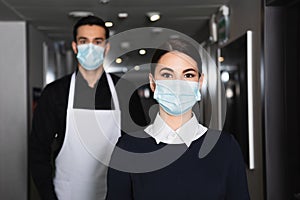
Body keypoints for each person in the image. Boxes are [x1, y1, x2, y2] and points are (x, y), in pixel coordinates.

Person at [106, 39, 250, 200]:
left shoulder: (225, 148)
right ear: (153, 83)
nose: (178, 84)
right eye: (167, 75)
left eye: (188, 75)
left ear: (200, 82)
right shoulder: (128, 148)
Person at [29, 15, 147, 200]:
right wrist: (48, 196)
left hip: (116, 194)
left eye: (97, 41)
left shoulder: (124, 92)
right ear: (75, 47)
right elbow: (38, 152)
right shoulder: (55, 93)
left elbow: (140, 149)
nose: (90, 47)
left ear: (106, 48)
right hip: (66, 194)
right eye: (84, 41)